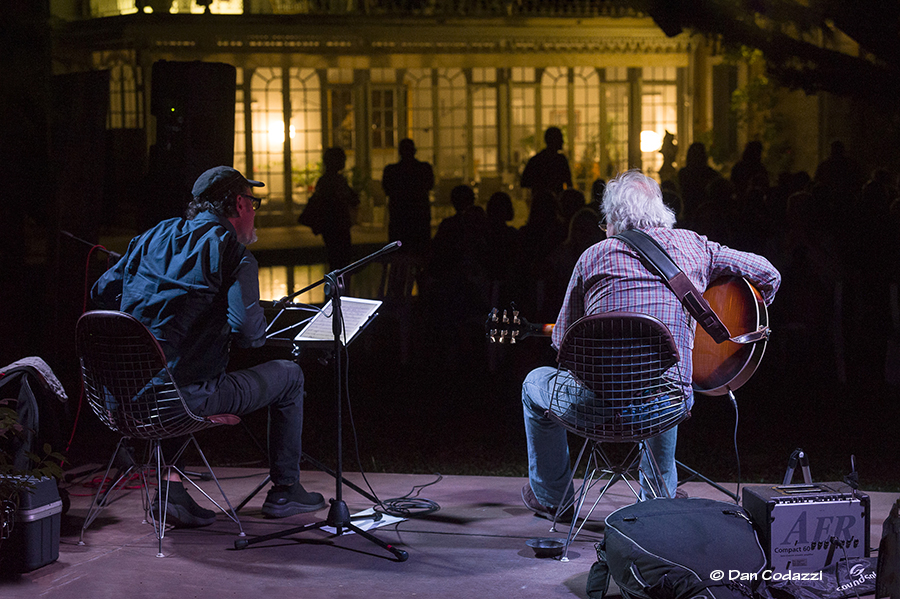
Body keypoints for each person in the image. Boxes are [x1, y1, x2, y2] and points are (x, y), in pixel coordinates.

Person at [520, 169, 781, 520]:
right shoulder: (696, 246)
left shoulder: (592, 257)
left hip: (595, 411)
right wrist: (730, 307)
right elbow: (768, 274)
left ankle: (555, 497)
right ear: (661, 212)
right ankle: (657, 498)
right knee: (665, 376)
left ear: (613, 218)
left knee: (533, 383)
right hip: (666, 406)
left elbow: (563, 340)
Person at [92, 166, 326, 526]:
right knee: (289, 375)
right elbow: (249, 334)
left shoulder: (155, 234)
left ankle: (173, 494)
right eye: (254, 203)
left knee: (177, 368)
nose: (254, 211)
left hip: (117, 401)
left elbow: (102, 292)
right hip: (176, 404)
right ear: (238, 204)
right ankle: (286, 490)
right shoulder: (234, 254)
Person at [381, 138, 435, 297]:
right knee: (421, 263)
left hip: (399, 221)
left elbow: (387, 189)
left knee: (399, 264)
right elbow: (429, 185)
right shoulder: (423, 169)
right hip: (419, 221)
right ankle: (424, 299)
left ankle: (396, 300)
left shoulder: (391, 171)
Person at [300, 147, 360, 271]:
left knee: (334, 259)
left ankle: (335, 288)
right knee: (342, 259)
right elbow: (352, 199)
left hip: (329, 226)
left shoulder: (324, 181)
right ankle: (341, 288)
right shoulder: (338, 181)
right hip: (339, 224)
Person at [520, 126, 572, 198]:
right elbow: (569, 183)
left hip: (539, 202)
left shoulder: (535, 160)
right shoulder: (561, 160)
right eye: (560, 138)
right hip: (556, 201)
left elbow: (524, 182)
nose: (562, 141)